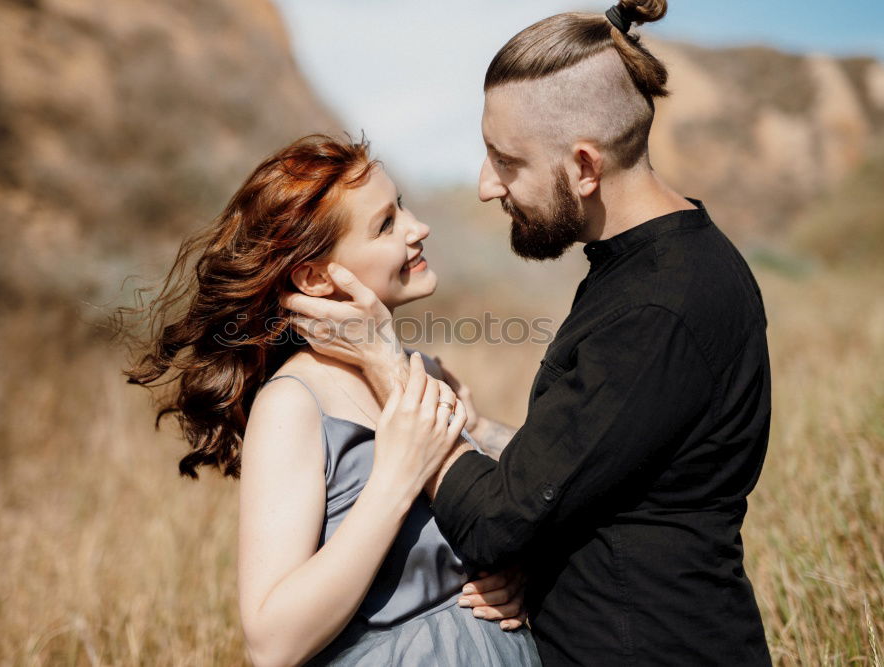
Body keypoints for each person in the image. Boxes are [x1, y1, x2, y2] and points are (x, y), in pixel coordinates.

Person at [281, 1, 773, 665]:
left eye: (505, 160)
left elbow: (495, 524)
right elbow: (601, 461)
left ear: (583, 167)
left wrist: (385, 361)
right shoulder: (643, 269)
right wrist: (479, 430)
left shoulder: (660, 304)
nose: (487, 185)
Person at [119, 135, 541, 665]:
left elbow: (504, 515)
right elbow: (272, 643)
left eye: (402, 206)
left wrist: (517, 572)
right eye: (386, 224)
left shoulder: (424, 370)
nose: (418, 228)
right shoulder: (292, 405)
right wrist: (396, 477)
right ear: (315, 277)